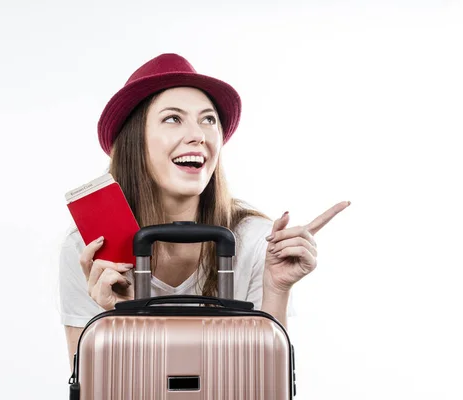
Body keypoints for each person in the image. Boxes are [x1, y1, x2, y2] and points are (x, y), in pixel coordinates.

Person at [58, 53, 350, 367]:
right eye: (173, 118)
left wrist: (276, 289)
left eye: (208, 119)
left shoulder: (256, 241)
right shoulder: (88, 251)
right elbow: (89, 389)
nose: (198, 135)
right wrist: (118, 319)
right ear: (135, 140)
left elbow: (267, 385)